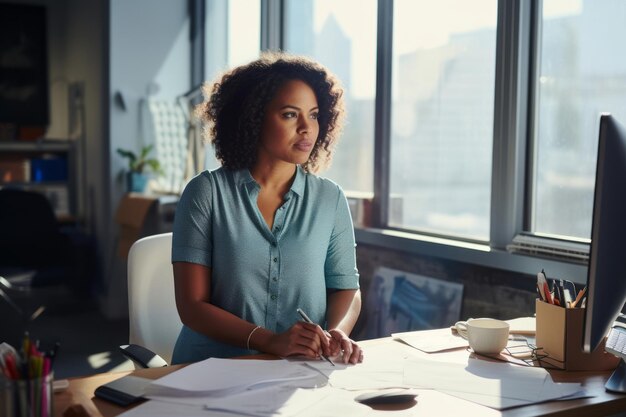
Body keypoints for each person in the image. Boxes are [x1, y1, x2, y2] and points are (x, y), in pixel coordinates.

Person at [170, 51, 363, 366]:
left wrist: (338, 331)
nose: (307, 128)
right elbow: (191, 306)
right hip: (208, 370)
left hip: (296, 372)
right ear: (254, 117)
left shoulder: (331, 199)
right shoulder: (206, 193)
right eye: (290, 114)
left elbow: (346, 288)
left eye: (314, 115)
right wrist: (270, 341)